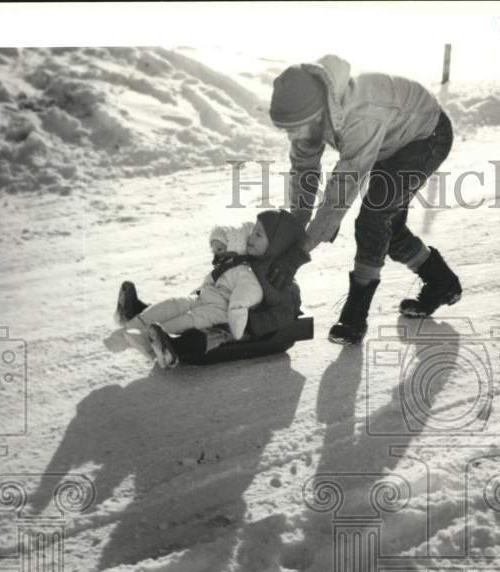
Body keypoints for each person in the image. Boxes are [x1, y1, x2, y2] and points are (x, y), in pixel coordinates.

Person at [267, 55, 462, 344]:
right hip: (389, 138)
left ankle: (354, 317)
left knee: (374, 218)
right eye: (287, 129)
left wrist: (300, 252)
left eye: (296, 127)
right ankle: (442, 283)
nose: (291, 135)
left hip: (426, 136)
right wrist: (296, 225)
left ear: (318, 112)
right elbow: (304, 172)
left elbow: (341, 191)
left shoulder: (361, 115)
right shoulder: (313, 118)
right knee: (389, 230)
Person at [106, 209, 304, 368]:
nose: (251, 237)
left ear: (275, 245)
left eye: (258, 235)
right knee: (178, 304)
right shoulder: (252, 258)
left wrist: (252, 322)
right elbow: (230, 257)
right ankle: (140, 312)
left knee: (206, 332)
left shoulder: (281, 278)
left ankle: (170, 345)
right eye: (253, 231)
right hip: (216, 302)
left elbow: (284, 313)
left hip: (239, 323)